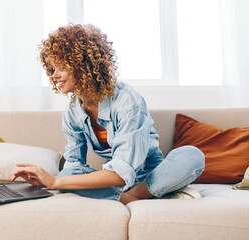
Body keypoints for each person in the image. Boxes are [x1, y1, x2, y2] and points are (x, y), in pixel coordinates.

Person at [11, 23, 205, 205]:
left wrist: (54, 183)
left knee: (192, 155)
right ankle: (143, 196)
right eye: (52, 69)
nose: (54, 75)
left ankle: (135, 195)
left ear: (83, 65)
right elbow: (73, 164)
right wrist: (50, 179)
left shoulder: (127, 101)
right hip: (114, 179)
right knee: (66, 174)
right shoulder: (72, 113)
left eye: (61, 68)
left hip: (150, 174)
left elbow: (122, 172)